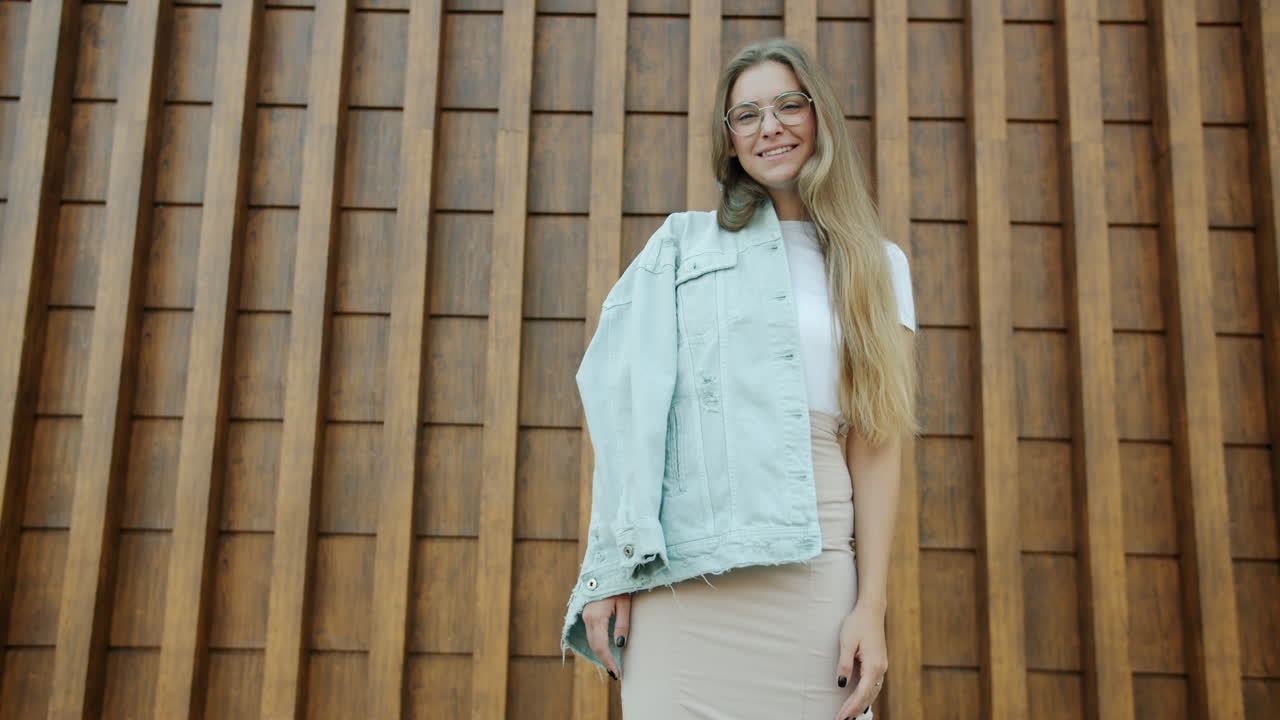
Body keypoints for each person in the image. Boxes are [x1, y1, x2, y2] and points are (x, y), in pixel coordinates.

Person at [560, 38, 917, 720]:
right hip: (684, 579)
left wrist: (870, 607)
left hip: (813, 568)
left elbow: (877, 442)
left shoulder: (878, 264)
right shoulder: (677, 249)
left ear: (820, 119)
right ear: (728, 143)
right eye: (746, 115)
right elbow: (627, 415)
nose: (770, 127)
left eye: (788, 105)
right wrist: (610, 566)